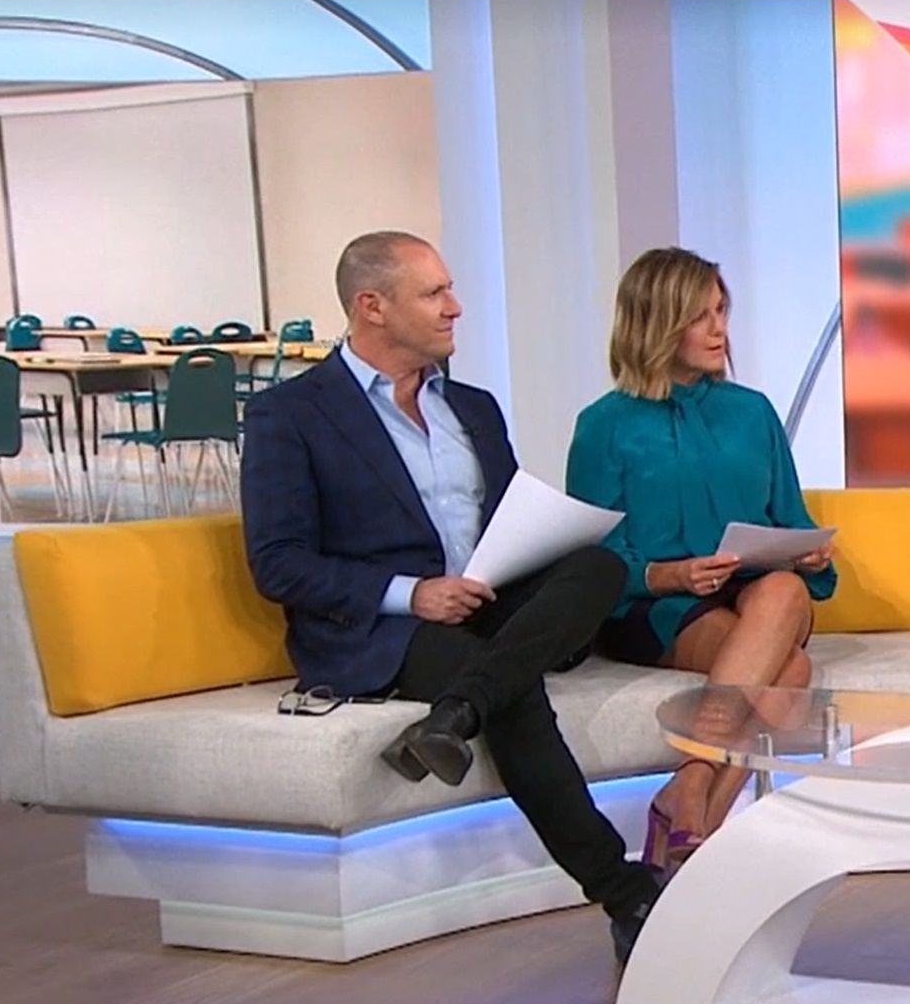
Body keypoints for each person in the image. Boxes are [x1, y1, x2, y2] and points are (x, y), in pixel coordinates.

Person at [241, 231, 664, 965]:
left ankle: (457, 713)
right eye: (434, 292)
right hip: (385, 626)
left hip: (490, 598)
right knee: (512, 685)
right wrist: (413, 595)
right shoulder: (292, 414)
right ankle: (625, 893)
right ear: (372, 306)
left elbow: (504, 517)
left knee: (595, 566)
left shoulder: (472, 406)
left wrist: (532, 546)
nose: (454, 307)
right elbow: (278, 563)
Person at [566, 248, 835, 868]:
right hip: (659, 606)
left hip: (758, 592)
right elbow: (593, 557)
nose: (719, 330)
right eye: (699, 317)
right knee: (787, 669)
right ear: (655, 324)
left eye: (721, 311)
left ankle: (689, 786)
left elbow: (789, 518)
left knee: (785, 591)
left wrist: (810, 553)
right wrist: (669, 575)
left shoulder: (752, 411)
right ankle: (700, 832)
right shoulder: (604, 425)